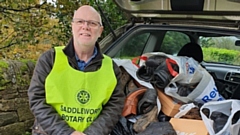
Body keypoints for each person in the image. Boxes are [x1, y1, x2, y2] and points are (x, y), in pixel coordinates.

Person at [28, 5, 125, 135]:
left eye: (92, 23)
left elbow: (114, 106)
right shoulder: (50, 59)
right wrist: (67, 133)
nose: (85, 27)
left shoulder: (111, 67)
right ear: (72, 26)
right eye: (80, 21)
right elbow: (37, 99)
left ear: (100, 31)